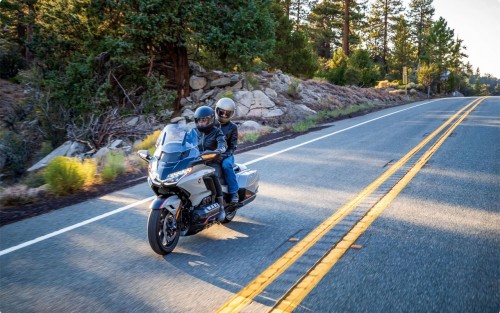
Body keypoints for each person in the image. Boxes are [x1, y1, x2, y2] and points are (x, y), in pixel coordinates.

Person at [193, 105, 227, 221]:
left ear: (211, 120)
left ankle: (221, 206)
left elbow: (222, 143)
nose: (201, 123)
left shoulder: (216, 132)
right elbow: (183, 141)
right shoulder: (193, 132)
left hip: (212, 162)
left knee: (212, 176)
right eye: (199, 121)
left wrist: (220, 149)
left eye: (204, 120)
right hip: (196, 162)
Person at [215, 98, 239, 204]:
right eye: (222, 112)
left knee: (226, 165)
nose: (224, 115)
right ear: (217, 110)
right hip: (211, 154)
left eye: (227, 113)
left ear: (231, 114)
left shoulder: (232, 127)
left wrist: (225, 155)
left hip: (227, 155)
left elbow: (233, 146)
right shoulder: (211, 123)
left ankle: (234, 192)